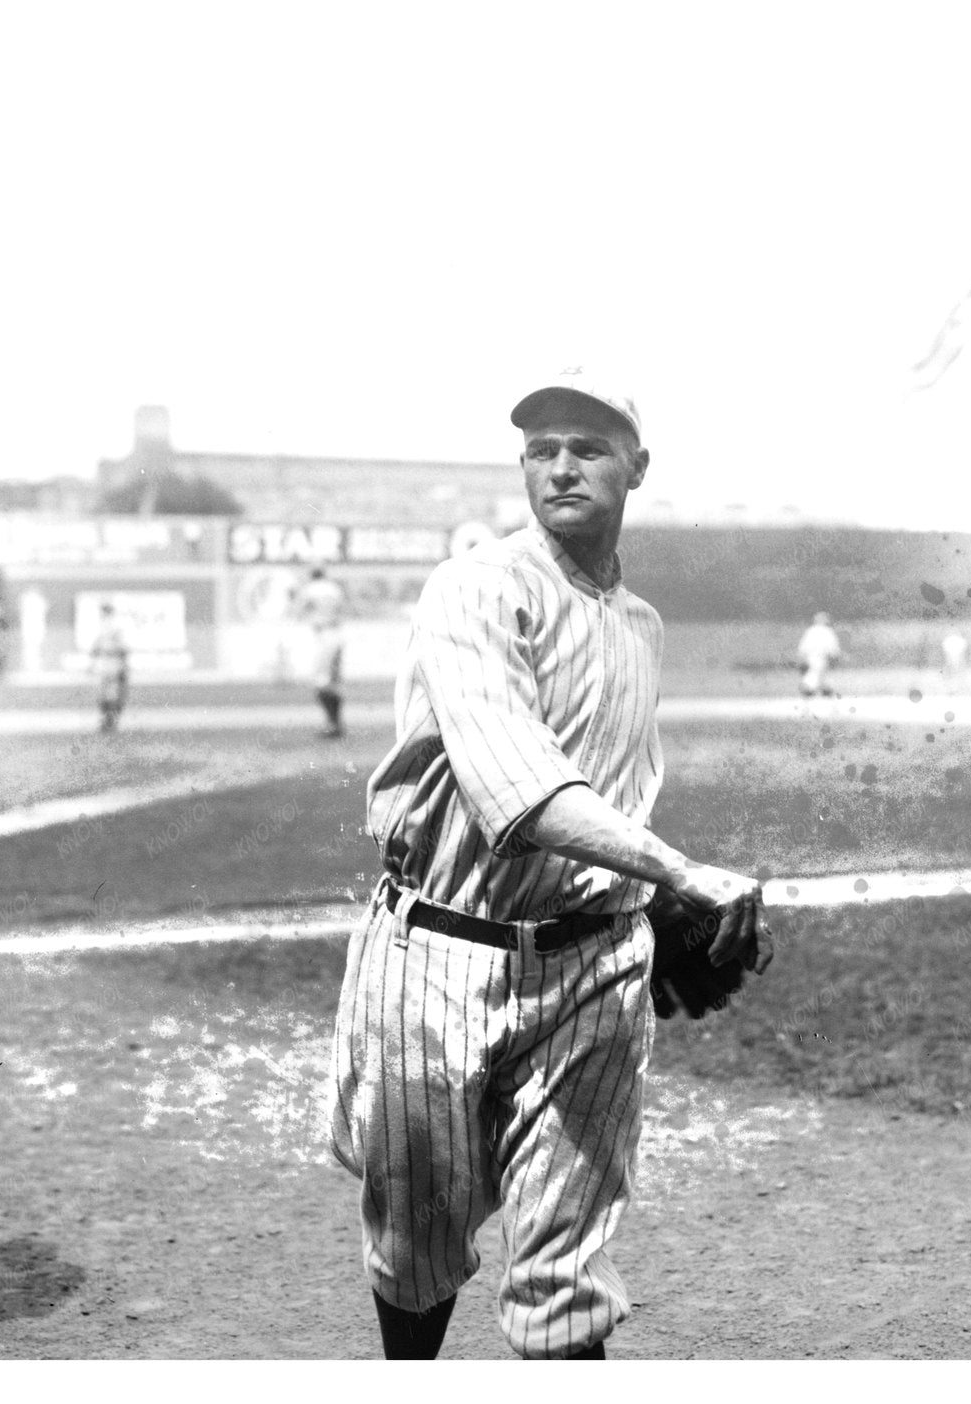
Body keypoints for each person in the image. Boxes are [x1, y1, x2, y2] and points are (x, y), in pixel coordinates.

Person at [328, 369, 773, 1361]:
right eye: (542, 449)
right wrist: (678, 873)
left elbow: (616, 785)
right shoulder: (477, 586)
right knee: (416, 1243)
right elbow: (518, 787)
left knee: (566, 1269)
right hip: (439, 954)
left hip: (591, 971)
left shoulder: (641, 624)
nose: (561, 466)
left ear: (637, 468)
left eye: (589, 447)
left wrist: (639, 903)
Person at [299, 565, 347, 738]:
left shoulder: (311, 589)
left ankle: (332, 724)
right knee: (333, 683)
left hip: (324, 635)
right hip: (337, 634)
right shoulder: (334, 588)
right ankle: (336, 724)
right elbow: (343, 608)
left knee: (321, 682)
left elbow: (300, 608)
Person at [90, 602, 130, 733]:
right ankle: (106, 721)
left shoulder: (116, 626)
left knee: (113, 694)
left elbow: (123, 648)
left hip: (113, 664)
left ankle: (111, 721)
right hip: (105, 664)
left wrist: (124, 664)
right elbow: (95, 648)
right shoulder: (101, 627)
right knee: (103, 695)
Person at [796, 610, 842, 697]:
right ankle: (810, 688)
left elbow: (803, 645)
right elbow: (832, 645)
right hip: (822, 656)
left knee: (815, 671)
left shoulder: (810, 631)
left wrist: (801, 656)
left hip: (811, 656)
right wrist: (835, 655)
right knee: (818, 672)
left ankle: (819, 688)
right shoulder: (828, 631)